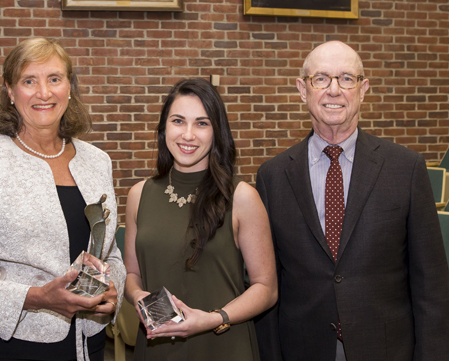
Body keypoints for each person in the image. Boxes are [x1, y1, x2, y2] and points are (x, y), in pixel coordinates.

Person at [0, 37, 125, 361]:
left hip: (88, 343)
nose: (43, 93)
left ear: (69, 87)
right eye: (29, 81)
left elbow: (110, 254)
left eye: (54, 79)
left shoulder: (97, 161)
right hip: (10, 347)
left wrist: (110, 288)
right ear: (10, 91)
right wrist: (36, 298)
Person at [254, 40, 449, 361]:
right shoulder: (272, 177)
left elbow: (432, 287)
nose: (334, 90)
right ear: (303, 89)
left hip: (387, 348)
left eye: (346, 78)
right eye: (321, 79)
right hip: (302, 347)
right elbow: (267, 283)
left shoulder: (406, 168)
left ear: (363, 89)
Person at [123, 78, 278, 360]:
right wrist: (138, 298)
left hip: (222, 344)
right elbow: (132, 274)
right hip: (158, 345)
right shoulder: (139, 195)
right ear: (164, 128)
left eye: (202, 123)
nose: (188, 134)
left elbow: (266, 289)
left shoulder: (241, 197)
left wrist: (214, 318)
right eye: (178, 121)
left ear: (217, 132)